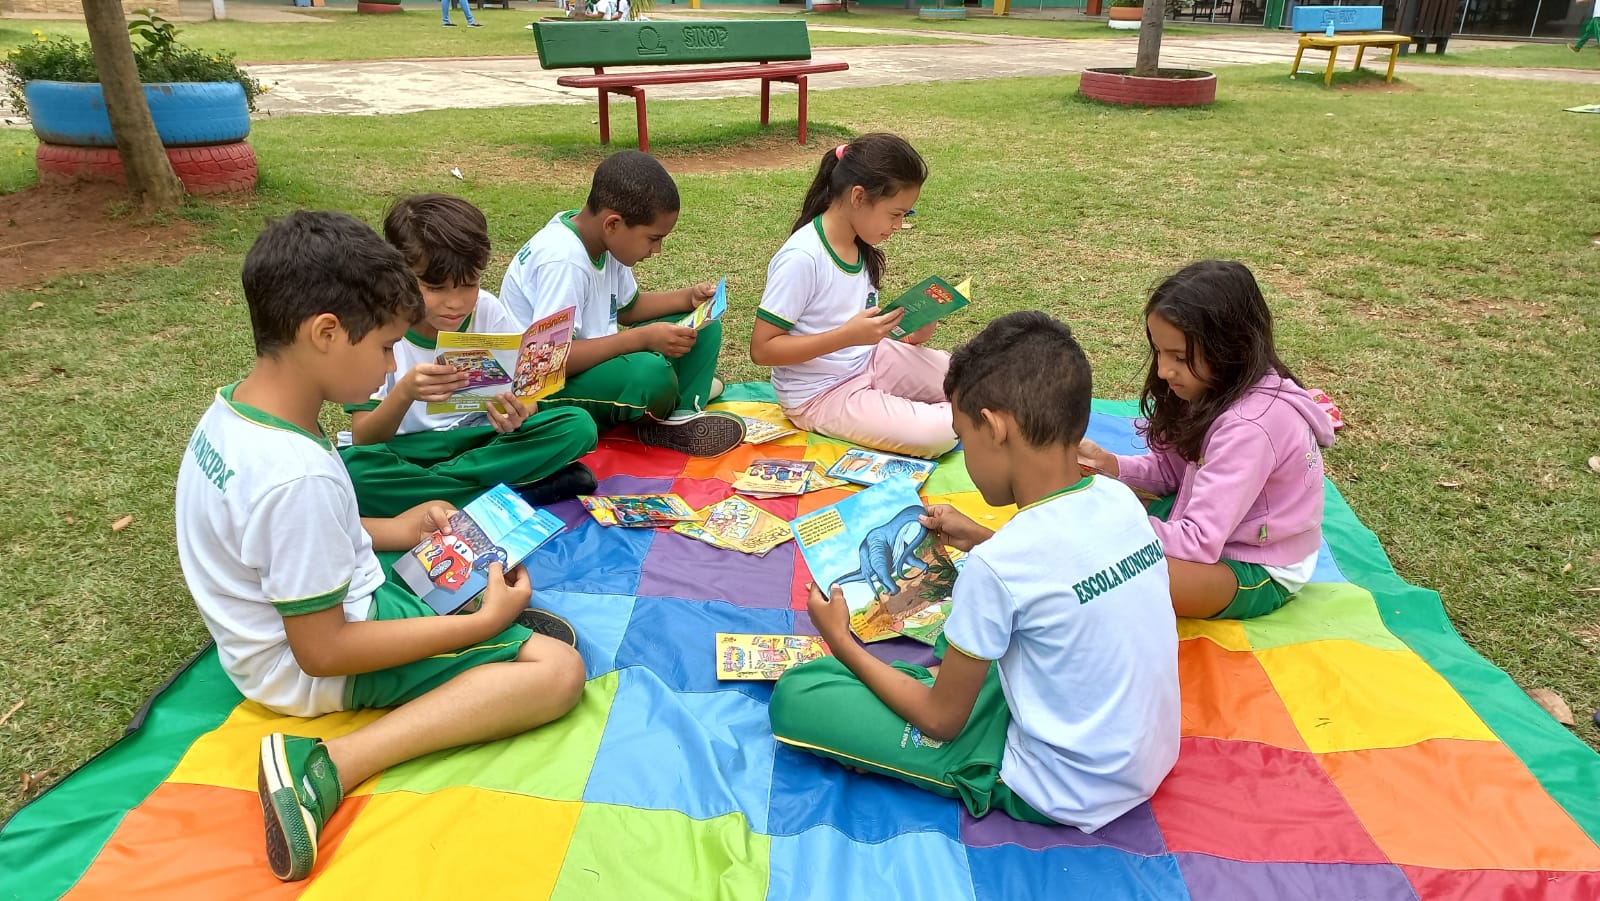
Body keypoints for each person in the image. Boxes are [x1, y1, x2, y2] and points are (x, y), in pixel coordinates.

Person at [175, 211, 585, 882]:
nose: (394, 362)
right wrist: (478, 624)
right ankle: (327, 765)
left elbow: (287, 540)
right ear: (327, 333)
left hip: (287, 624)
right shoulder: (296, 475)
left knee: (459, 552)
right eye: (387, 346)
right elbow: (324, 648)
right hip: (308, 662)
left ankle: (467, 627)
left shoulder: (236, 413)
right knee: (558, 671)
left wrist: (397, 529)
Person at [769, 311, 1180, 831]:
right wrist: (983, 536)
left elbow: (942, 720)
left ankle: (944, 709)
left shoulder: (999, 565)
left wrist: (841, 641)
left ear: (995, 428)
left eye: (963, 437)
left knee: (800, 695)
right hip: (1141, 753)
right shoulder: (1118, 499)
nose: (964, 454)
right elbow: (1061, 576)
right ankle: (940, 678)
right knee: (968, 637)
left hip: (1060, 785)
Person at [1078, 260, 1337, 620]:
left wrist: (1112, 528)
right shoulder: (1209, 387)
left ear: (1231, 349)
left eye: (1180, 357)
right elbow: (1173, 472)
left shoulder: (1249, 428)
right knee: (1089, 503)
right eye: (1158, 352)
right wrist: (1111, 465)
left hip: (1256, 567)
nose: (1164, 371)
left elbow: (1198, 541)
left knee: (1112, 573)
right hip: (1211, 530)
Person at [340, 194, 599, 518]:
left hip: (479, 441)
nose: (456, 303)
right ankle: (516, 492)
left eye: (469, 284)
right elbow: (364, 437)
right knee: (354, 472)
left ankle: (450, 495)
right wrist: (406, 392)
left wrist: (520, 411)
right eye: (435, 288)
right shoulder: (375, 325)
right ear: (398, 274)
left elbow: (523, 393)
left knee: (576, 426)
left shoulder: (486, 310)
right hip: (409, 451)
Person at [500, 151, 744, 457]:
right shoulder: (563, 260)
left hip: (594, 362)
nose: (657, 250)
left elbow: (629, 308)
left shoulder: (602, 239)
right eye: (653, 238)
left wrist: (687, 298)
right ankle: (667, 404)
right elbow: (545, 361)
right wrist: (640, 339)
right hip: (540, 386)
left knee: (702, 327)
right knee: (648, 373)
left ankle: (679, 416)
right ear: (613, 223)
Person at [750, 133, 955, 459]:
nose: (899, 226)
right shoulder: (803, 258)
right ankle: (978, 423)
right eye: (895, 214)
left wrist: (912, 336)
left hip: (869, 357)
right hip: (820, 392)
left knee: (966, 374)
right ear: (859, 197)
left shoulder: (859, 245)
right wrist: (847, 337)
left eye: (906, 216)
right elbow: (762, 349)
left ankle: (978, 413)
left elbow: (854, 329)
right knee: (940, 432)